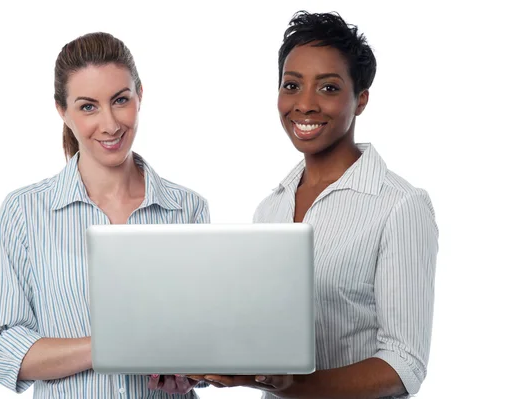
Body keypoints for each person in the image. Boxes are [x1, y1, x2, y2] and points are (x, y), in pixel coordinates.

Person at [183, 11, 439, 399]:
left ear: (361, 99)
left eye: (329, 88)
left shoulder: (400, 205)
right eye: (292, 85)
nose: (304, 105)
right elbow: (263, 338)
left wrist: (293, 386)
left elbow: (405, 365)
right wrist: (209, 367)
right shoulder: (270, 209)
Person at [0, 32, 208, 398]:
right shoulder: (23, 212)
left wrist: (192, 370)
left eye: (120, 100)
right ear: (62, 111)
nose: (110, 124)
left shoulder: (187, 209)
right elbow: (4, 348)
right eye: (88, 106)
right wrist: (111, 346)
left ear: (140, 96)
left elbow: (201, 336)